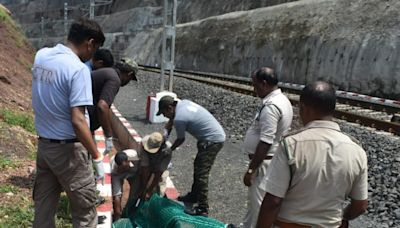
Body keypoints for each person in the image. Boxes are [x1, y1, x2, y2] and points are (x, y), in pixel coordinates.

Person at [256, 81, 368, 228]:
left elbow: (273, 202)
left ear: (304, 108)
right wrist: (344, 217)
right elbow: (360, 206)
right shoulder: (357, 151)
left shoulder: (291, 144)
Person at [31, 18, 105, 228]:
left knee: (43, 207)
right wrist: (97, 157)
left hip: (44, 146)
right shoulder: (78, 69)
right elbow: (78, 120)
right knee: (84, 211)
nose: (93, 55)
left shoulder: (41, 56)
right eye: (95, 48)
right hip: (69, 152)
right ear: (89, 43)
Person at [157, 96, 226, 216]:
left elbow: (180, 139)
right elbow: (170, 122)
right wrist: (165, 134)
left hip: (212, 141)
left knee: (201, 174)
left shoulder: (180, 118)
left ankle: (203, 207)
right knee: (198, 167)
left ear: (169, 108)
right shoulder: (182, 104)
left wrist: (170, 149)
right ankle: (194, 196)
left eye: (164, 113)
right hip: (210, 137)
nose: (164, 116)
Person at [242, 67, 293, 228]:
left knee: (259, 204)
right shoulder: (281, 99)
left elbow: (266, 140)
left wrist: (252, 170)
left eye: (255, 85)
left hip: (264, 163)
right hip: (269, 160)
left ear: (264, 84)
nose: (254, 89)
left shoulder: (271, 106)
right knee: (254, 201)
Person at [111, 132, 172, 221]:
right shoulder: (143, 145)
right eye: (122, 168)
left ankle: (152, 215)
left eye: (126, 167)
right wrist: (143, 188)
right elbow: (145, 168)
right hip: (139, 170)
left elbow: (158, 172)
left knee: (158, 192)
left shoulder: (166, 151)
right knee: (131, 195)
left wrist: (148, 190)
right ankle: (126, 213)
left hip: (158, 166)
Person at [88, 58, 138, 154]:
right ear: (129, 74)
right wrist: (109, 136)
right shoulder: (114, 79)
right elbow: (102, 107)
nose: (128, 82)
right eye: (130, 79)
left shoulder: (107, 72)